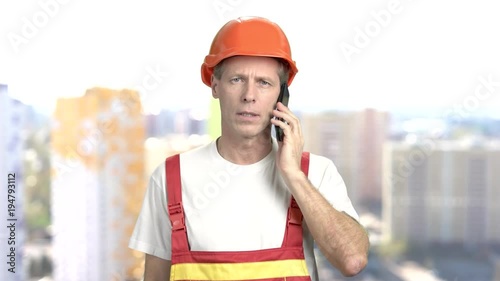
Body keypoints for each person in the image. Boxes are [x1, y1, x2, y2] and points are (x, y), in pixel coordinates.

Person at [129, 16, 369, 281]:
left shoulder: (315, 173)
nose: (249, 95)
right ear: (215, 86)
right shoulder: (170, 178)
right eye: (236, 80)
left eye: (264, 83)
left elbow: (353, 260)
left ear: (281, 95)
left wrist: (294, 177)